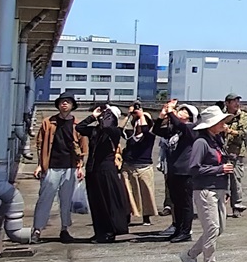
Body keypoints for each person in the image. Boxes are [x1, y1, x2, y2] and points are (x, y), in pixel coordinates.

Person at [180, 105, 236, 262]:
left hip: (217, 188)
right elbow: (194, 168)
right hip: (205, 189)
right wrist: (219, 168)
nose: (223, 124)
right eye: (220, 121)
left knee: (218, 229)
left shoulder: (216, 140)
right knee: (212, 228)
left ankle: (190, 255)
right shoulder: (201, 142)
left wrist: (225, 189)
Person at [30, 93, 86, 244]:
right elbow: (40, 144)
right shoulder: (48, 122)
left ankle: (64, 229)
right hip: (52, 166)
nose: (64, 104)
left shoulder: (77, 124)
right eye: (62, 102)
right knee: (44, 199)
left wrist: (80, 166)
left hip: (70, 166)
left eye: (67, 102)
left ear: (72, 105)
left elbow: (82, 147)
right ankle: (37, 230)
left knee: (66, 200)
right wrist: (40, 165)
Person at [76, 103, 132, 243]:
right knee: (96, 202)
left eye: (106, 115)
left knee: (108, 201)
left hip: (106, 169)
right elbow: (79, 128)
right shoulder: (95, 130)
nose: (102, 117)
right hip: (93, 169)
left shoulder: (115, 131)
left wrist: (108, 114)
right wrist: (92, 116)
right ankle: (99, 231)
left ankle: (109, 232)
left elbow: (107, 127)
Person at [155, 101, 199, 242]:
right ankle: (178, 228)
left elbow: (179, 124)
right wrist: (162, 116)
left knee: (185, 202)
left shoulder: (192, 128)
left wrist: (171, 111)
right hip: (173, 170)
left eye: (184, 111)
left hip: (185, 171)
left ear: (190, 116)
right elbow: (156, 130)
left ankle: (186, 231)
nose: (181, 112)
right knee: (176, 202)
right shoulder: (176, 130)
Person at [121, 103, 157, 226]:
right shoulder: (130, 135)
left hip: (144, 167)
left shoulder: (149, 136)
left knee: (146, 193)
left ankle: (146, 217)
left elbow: (146, 130)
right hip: (128, 166)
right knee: (127, 193)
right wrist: (129, 115)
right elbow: (120, 130)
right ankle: (126, 216)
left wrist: (142, 116)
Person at [220, 93, 247, 216]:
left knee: (235, 178)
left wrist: (229, 131)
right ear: (227, 103)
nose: (237, 104)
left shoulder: (242, 116)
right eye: (234, 101)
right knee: (222, 177)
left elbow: (243, 133)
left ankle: (237, 205)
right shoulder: (221, 115)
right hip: (222, 150)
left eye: (238, 101)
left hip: (236, 151)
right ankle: (221, 204)